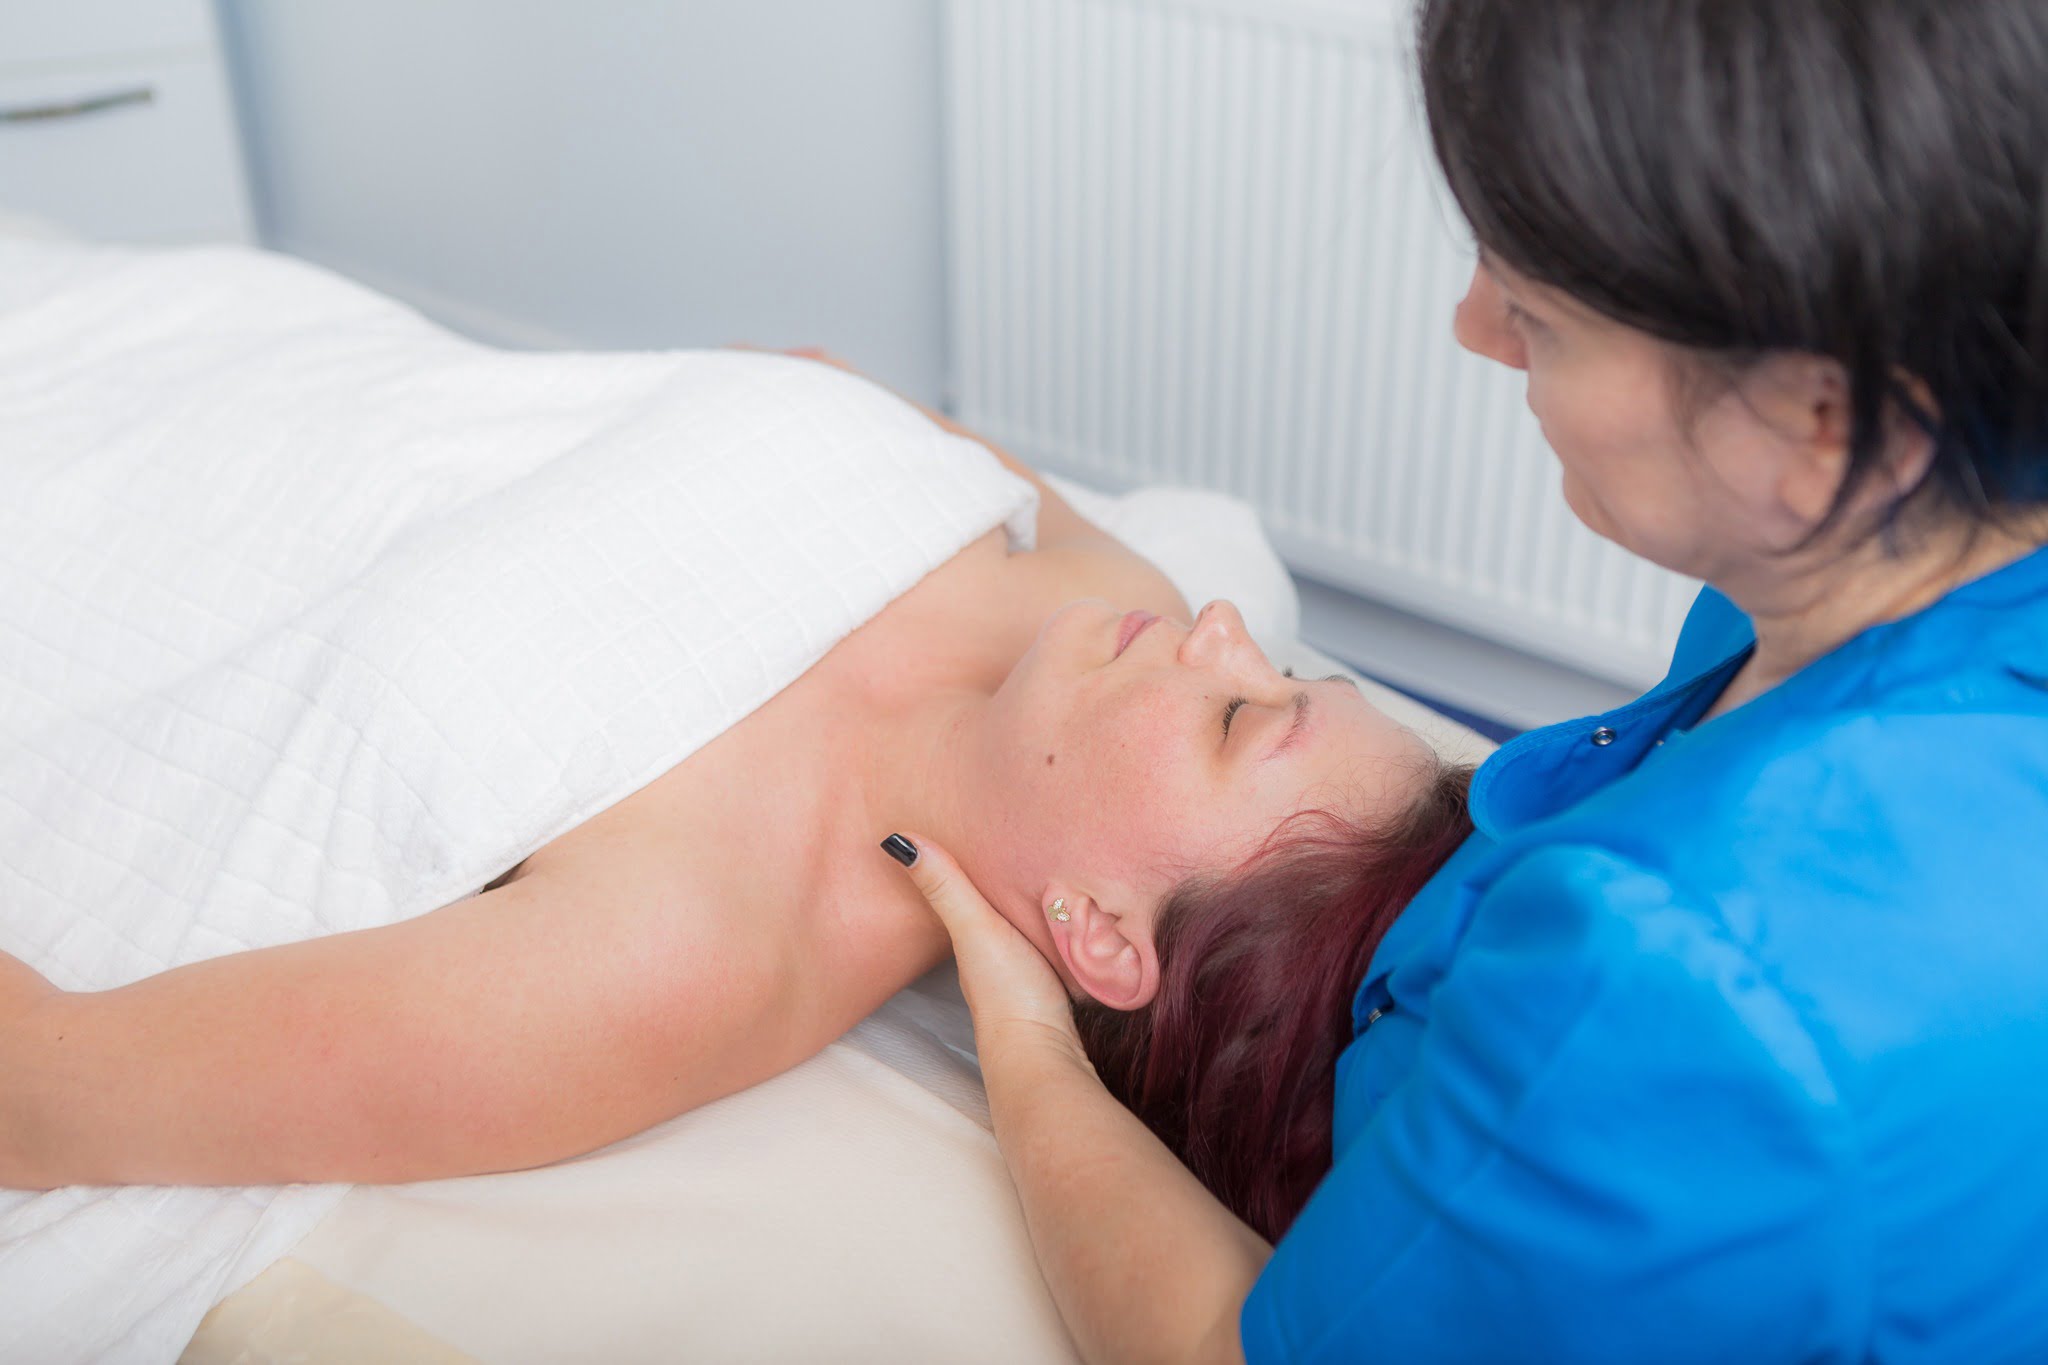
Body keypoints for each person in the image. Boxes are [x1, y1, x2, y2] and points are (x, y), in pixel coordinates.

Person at [894, 0, 2048, 1360]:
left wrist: (1027, 1043)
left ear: (1818, 417)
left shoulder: (1672, 974)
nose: (1476, 327)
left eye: (1541, 313)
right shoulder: (1810, 607)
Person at [0, 360, 1468, 1200]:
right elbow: (855, 408)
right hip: (228, 366)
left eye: (1238, 716)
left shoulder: (682, 954)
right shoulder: (1108, 604)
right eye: (1286, 670)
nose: (1224, 628)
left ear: (1100, 932)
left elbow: (43, 1091)